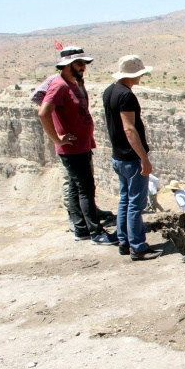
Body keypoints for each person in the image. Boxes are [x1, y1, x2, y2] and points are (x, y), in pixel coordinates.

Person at [37, 47, 118, 246]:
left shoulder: (72, 84)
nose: (84, 67)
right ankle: (96, 232)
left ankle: (81, 229)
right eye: (80, 63)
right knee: (86, 188)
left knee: (76, 187)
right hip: (72, 148)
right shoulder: (59, 85)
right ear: (67, 64)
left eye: (85, 64)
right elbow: (43, 113)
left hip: (80, 145)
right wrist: (57, 139)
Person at [103, 55, 161, 261]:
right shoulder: (126, 96)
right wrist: (144, 159)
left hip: (118, 157)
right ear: (134, 74)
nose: (143, 76)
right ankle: (138, 247)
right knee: (136, 203)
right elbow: (129, 129)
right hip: (131, 158)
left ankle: (124, 242)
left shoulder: (109, 91)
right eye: (141, 73)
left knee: (125, 200)